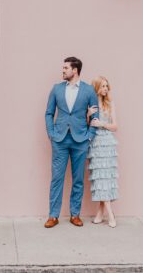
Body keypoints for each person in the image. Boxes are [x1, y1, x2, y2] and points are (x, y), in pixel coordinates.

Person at [44, 56, 99, 228]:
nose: (63, 70)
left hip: (80, 140)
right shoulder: (56, 89)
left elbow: (96, 117)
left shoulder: (89, 91)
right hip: (59, 139)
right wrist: (51, 134)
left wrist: (89, 136)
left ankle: (75, 214)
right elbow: (48, 113)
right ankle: (53, 215)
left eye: (65, 68)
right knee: (57, 178)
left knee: (78, 179)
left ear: (75, 70)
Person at [86, 76, 119, 227]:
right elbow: (86, 125)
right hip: (96, 144)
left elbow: (115, 126)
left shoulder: (109, 104)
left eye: (107, 86)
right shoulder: (91, 105)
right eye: (103, 86)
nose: (105, 89)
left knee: (106, 179)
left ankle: (110, 214)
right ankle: (100, 213)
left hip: (107, 144)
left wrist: (102, 123)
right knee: (100, 179)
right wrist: (88, 115)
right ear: (97, 88)